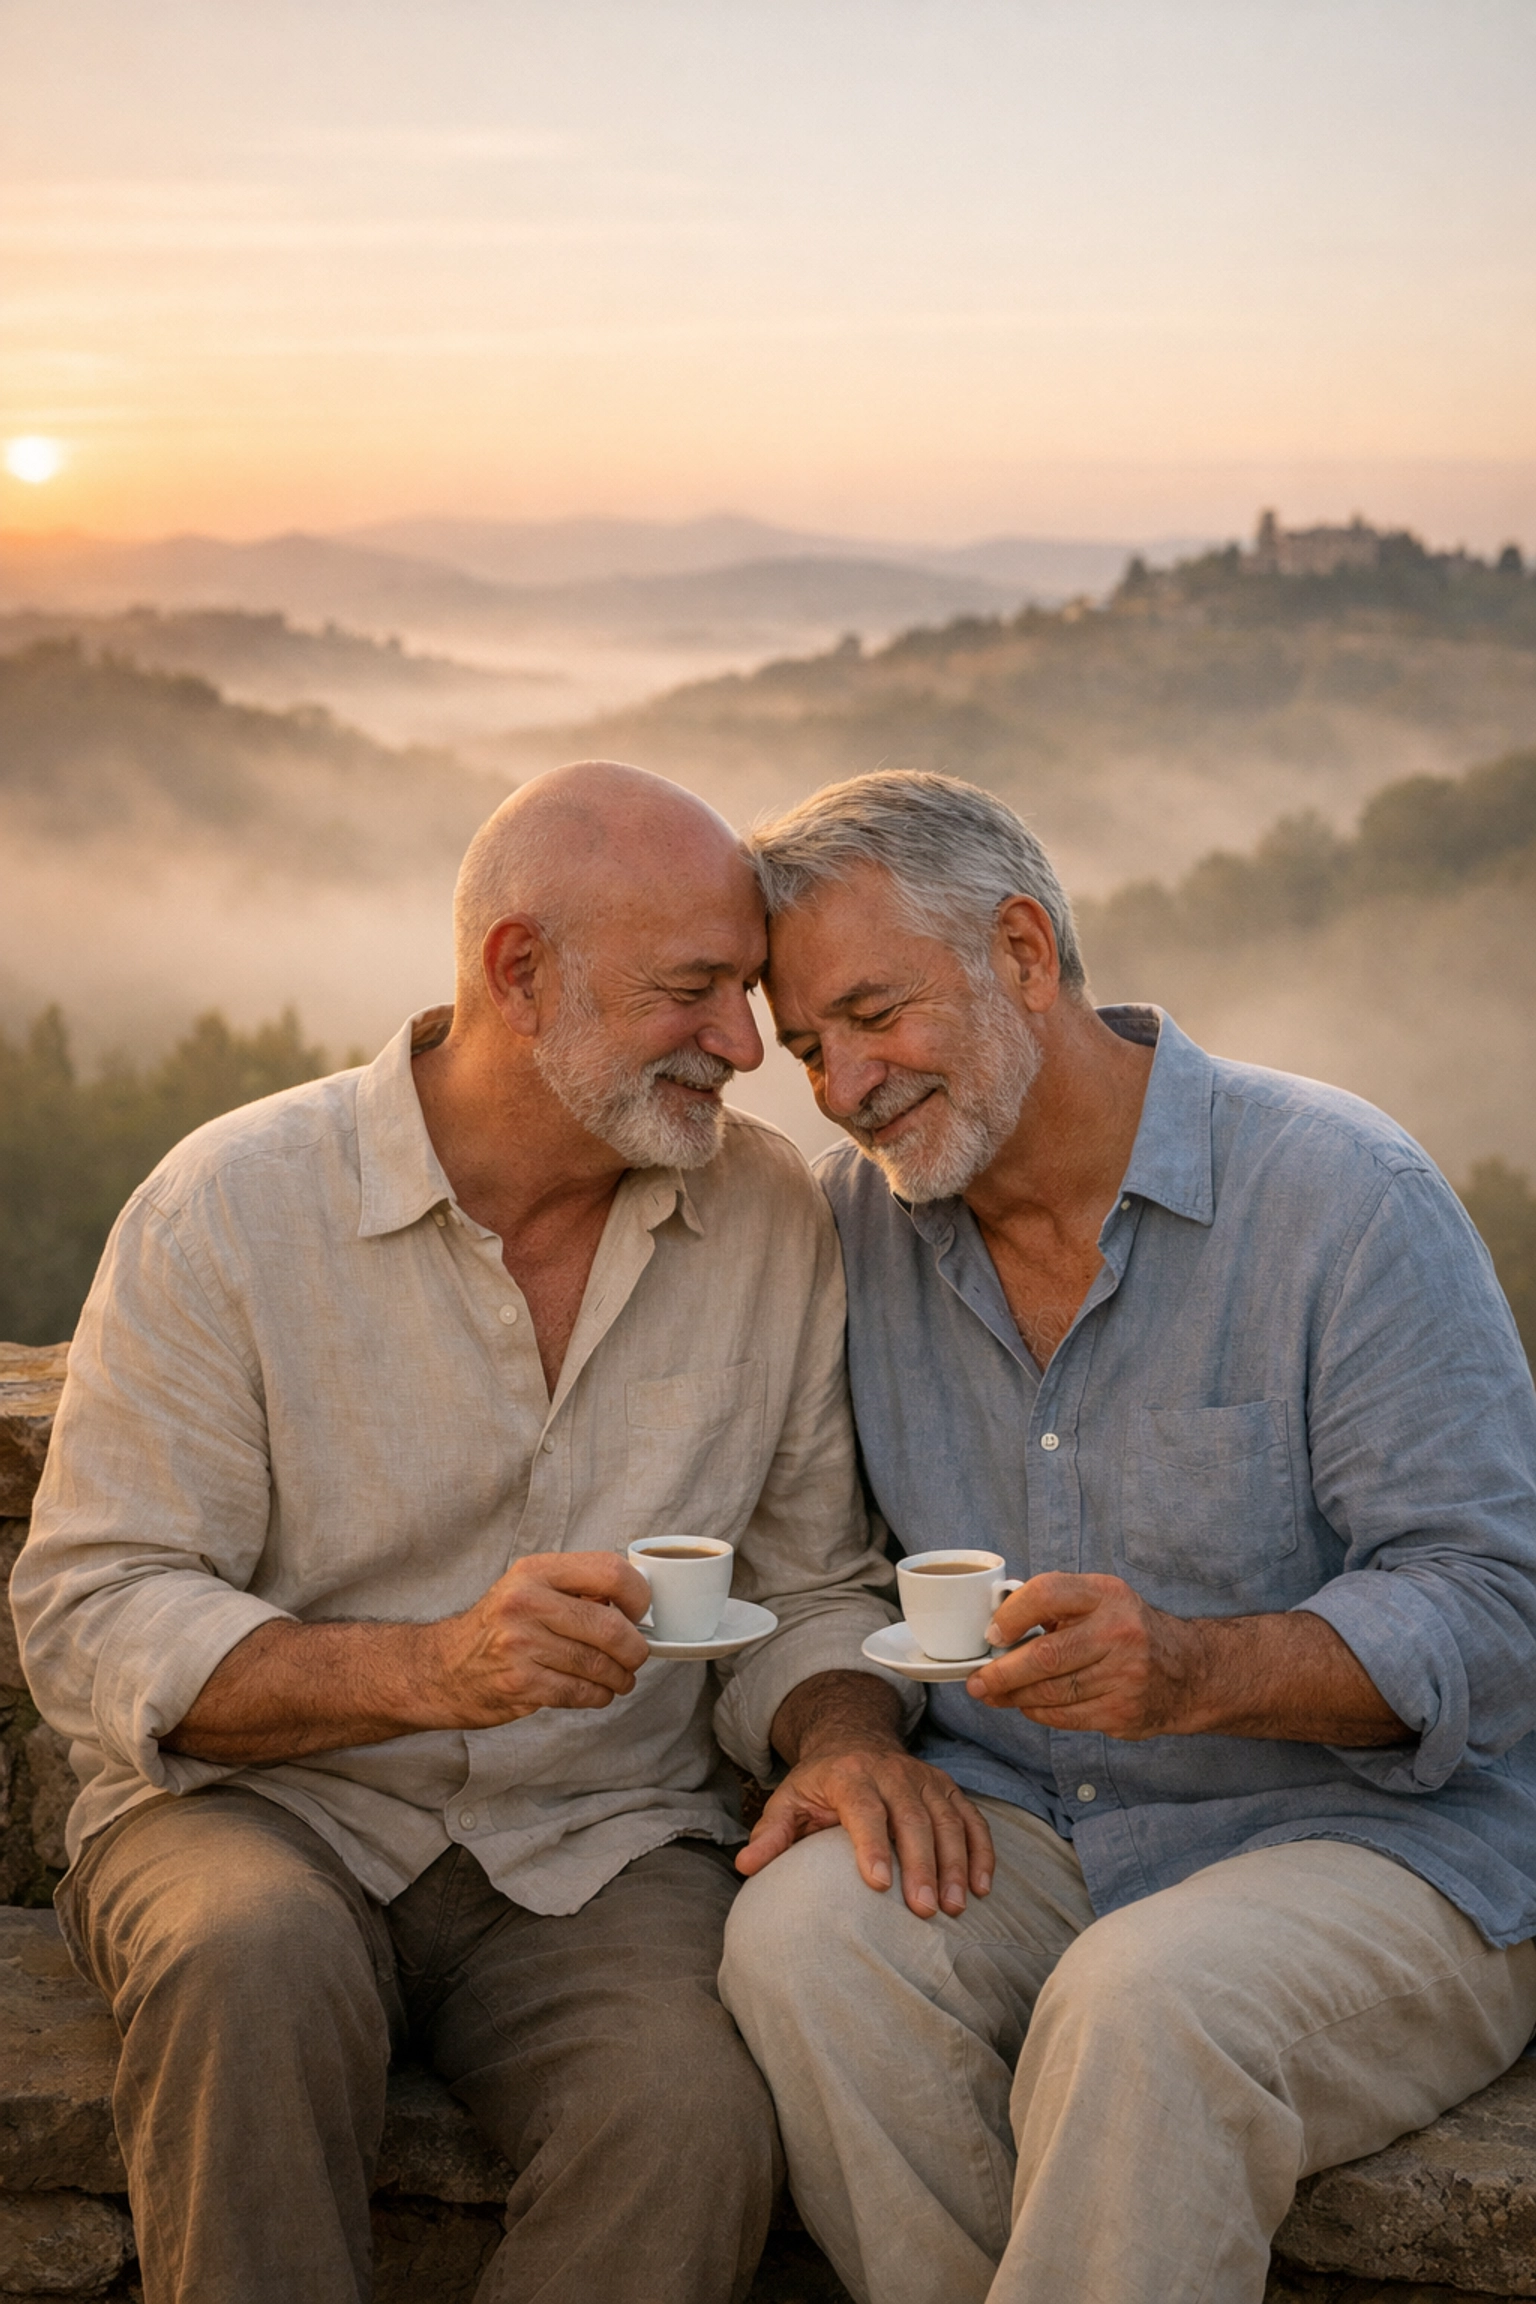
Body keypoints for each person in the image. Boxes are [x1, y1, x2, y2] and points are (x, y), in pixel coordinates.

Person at [13, 761, 978, 2304]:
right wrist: (432, 1672)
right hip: (256, 1812)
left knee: (691, 2115)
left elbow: (808, 1584)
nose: (746, 1046)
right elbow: (95, 1610)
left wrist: (847, 1737)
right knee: (244, 1971)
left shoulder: (768, 1217)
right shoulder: (229, 1209)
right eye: (692, 990)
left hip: (606, 1839)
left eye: (746, 992)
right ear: (519, 972)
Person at [719, 769, 1536, 2304]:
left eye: (876, 1015)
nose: (842, 1087)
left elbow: (1495, 1609)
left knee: (1145, 2006)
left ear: (1024, 951)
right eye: (810, 1048)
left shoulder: (1345, 1197)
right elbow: (810, 1577)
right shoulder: (851, 1232)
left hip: (1371, 1839)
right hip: (1021, 1824)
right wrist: (847, 1738)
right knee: (799, 1946)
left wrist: (1196, 1669)